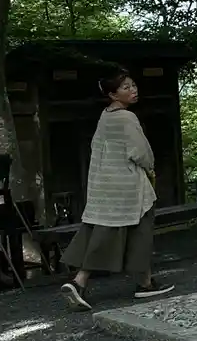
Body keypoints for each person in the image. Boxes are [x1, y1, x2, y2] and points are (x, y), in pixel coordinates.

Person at [60, 71, 174, 310]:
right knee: (140, 230)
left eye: (133, 85)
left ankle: (82, 282)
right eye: (126, 87)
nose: (133, 90)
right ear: (112, 94)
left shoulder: (105, 116)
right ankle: (139, 284)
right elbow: (141, 152)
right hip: (129, 186)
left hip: (106, 186)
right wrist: (151, 169)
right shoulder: (127, 118)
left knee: (103, 233)